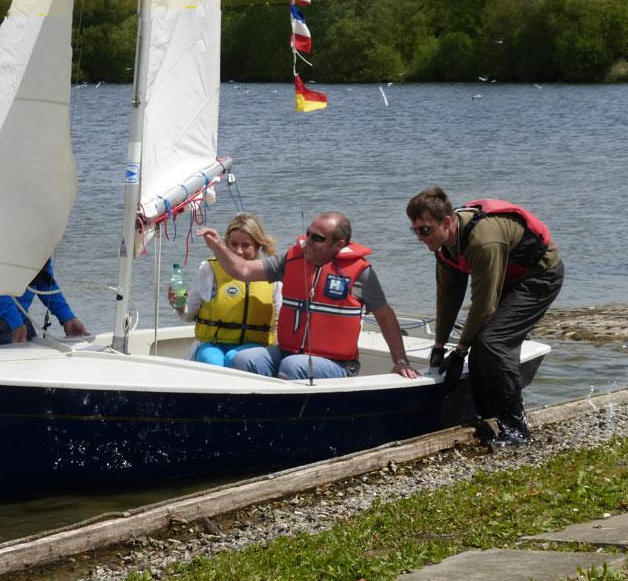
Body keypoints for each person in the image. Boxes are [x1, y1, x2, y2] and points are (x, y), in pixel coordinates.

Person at [406, 186, 564, 447]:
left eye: (425, 230)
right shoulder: (445, 246)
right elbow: (448, 298)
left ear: (446, 222)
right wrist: (439, 345)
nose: (421, 238)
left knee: (494, 342)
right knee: (481, 343)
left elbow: (484, 304)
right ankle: (487, 417)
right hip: (508, 278)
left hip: (539, 277)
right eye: (415, 231)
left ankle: (516, 430)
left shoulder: (483, 241)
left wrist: (459, 350)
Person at [197, 212, 421, 380]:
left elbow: (385, 316)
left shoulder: (360, 273)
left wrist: (400, 361)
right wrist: (218, 246)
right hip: (288, 351)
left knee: (294, 366)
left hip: (338, 364)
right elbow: (243, 271)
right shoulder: (291, 260)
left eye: (318, 238)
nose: (308, 241)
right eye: (309, 234)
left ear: (338, 244)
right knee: (244, 359)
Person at [169, 212, 282, 367]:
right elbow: (187, 316)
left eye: (246, 245)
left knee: (235, 359)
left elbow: (279, 323)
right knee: (214, 361)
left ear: (258, 246)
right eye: (233, 244)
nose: (239, 251)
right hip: (213, 344)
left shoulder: (272, 278)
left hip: (254, 346)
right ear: (226, 245)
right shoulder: (209, 270)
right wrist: (179, 306)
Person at [0, 258, 89, 349]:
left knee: (32, 366)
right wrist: (16, 322)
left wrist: (67, 317)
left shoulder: (41, 237)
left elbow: (44, 281)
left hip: (17, 314)